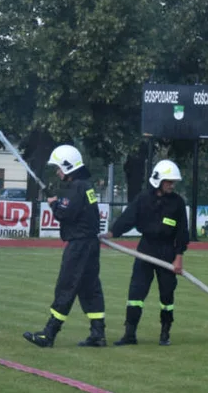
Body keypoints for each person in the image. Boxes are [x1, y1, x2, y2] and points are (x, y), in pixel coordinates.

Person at [23, 144, 106, 348]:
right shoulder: (86, 186)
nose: (58, 172)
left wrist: (53, 204)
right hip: (90, 245)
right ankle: (98, 333)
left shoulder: (76, 187)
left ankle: (49, 334)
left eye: (59, 168)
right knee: (90, 288)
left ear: (68, 167)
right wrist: (59, 201)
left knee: (66, 286)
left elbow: (64, 213)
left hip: (79, 246)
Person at [104, 159, 189, 346]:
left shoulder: (177, 203)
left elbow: (182, 232)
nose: (172, 185)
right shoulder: (143, 199)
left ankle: (165, 333)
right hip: (146, 249)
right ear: (158, 180)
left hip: (167, 252)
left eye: (173, 182)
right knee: (136, 293)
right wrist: (112, 233)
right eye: (168, 181)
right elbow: (128, 218)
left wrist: (179, 257)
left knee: (167, 296)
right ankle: (129, 334)